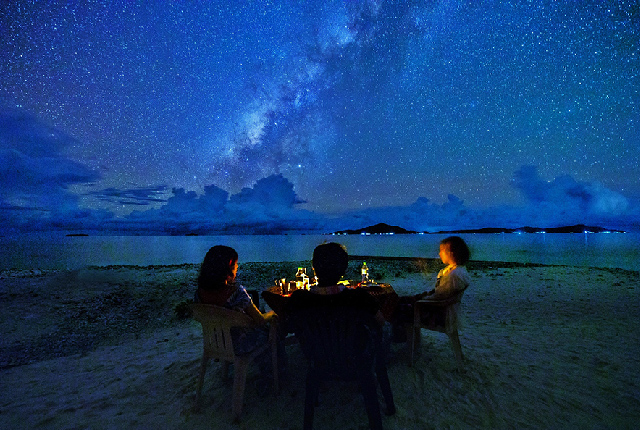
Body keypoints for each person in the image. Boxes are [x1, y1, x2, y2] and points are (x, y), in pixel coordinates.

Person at [195, 245, 277, 356]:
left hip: (216, 342)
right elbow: (260, 320)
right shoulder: (236, 292)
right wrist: (272, 313)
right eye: (235, 264)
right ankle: (277, 369)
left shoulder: (199, 293)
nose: (237, 267)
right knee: (274, 330)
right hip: (240, 344)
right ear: (228, 268)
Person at [392, 236, 471, 340]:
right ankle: (409, 339)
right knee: (402, 300)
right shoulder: (458, 271)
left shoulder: (454, 275)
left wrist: (420, 300)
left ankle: (401, 339)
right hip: (444, 309)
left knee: (398, 307)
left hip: (438, 314)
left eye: (442, 250)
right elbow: (441, 293)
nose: (439, 254)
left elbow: (439, 297)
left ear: (451, 253)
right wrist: (422, 296)